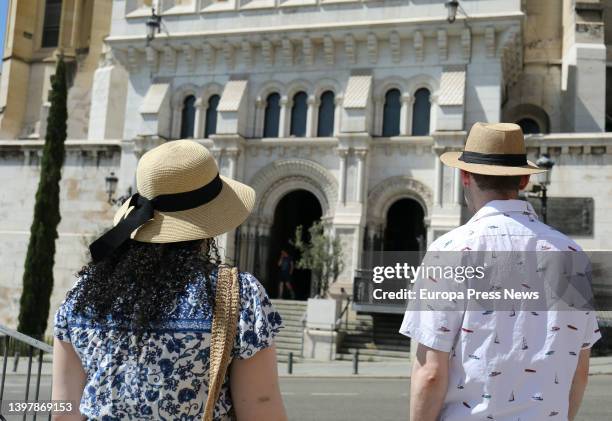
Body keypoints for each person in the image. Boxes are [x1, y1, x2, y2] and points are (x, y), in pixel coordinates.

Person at [52, 140, 287, 420]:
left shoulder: (84, 293)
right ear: (206, 226)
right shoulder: (237, 294)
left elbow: (63, 409)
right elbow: (260, 405)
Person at [400, 122, 601, 421]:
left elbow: (431, 372)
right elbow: (579, 371)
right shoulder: (570, 253)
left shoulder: (451, 250)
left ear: (465, 176)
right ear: (523, 181)